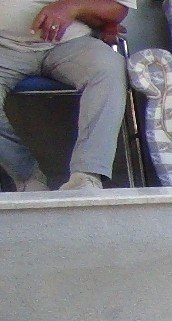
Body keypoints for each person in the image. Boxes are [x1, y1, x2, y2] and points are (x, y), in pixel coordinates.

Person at [0, 0, 133, 191]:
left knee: (109, 68)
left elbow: (117, 8)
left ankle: (87, 176)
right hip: (5, 47)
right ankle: (27, 178)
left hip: (71, 43)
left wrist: (72, 6)